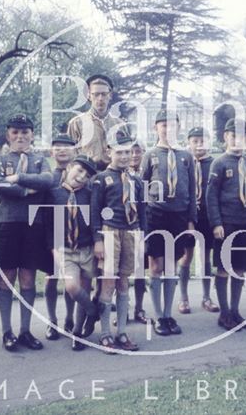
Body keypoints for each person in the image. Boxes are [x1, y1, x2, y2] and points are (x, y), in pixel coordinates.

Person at [8, 155, 100, 350]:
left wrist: (97, 243)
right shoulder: (54, 193)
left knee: (84, 285)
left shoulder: (90, 194)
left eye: (87, 175)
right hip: (65, 249)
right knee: (72, 288)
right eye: (79, 170)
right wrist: (54, 249)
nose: (82, 176)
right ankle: (93, 311)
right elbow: (49, 226)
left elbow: (95, 222)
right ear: (69, 168)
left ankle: (77, 333)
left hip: (87, 248)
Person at [0, 114, 50, 351]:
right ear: (8, 135)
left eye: (25, 132)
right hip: (6, 224)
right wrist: (26, 192)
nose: (20, 136)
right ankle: (7, 332)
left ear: (32, 135)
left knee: (27, 277)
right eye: (15, 132)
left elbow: (48, 180)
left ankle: (25, 331)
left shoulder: (39, 159)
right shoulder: (0, 158)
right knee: (7, 277)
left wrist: (18, 178)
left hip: (33, 224)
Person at [141, 110, 197, 336]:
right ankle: (158, 316)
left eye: (172, 125)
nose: (168, 129)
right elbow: (142, 188)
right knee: (156, 265)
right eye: (163, 125)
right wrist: (144, 220)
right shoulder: (150, 155)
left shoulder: (186, 156)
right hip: (156, 215)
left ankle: (168, 313)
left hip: (179, 216)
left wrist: (191, 219)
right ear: (156, 128)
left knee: (173, 265)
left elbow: (192, 190)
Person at [91, 131, 146, 352]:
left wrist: (143, 235)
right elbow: (95, 211)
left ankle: (122, 332)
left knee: (124, 282)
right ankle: (105, 334)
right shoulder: (101, 179)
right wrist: (97, 240)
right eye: (120, 152)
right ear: (109, 152)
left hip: (131, 232)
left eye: (128, 152)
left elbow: (142, 211)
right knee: (108, 282)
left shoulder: (136, 180)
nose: (124, 156)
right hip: (110, 232)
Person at [206, 118, 246, 330]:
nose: (237, 140)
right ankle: (224, 313)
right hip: (226, 224)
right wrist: (216, 223)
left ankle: (236, 311)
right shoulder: (219, 163)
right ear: (226, 137)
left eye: (241, 136)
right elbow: (211, 196)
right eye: (233, 136)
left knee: (240, 269)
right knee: (223, 268)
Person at [177, 127, 220, 315]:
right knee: (187, 256)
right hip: (188, 217)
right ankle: (184, 298)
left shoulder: (214, 164)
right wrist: (188, 218)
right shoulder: (184, 162)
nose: (199, 145)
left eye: (202, 141)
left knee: (206, 257)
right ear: (189, 143)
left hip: (207, 216)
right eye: (195, 141)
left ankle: (206, 297)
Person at [42, 133, 78, 341]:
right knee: (51, 278)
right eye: (58, 147)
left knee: (71, 280)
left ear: (74, 150)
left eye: (67, 146)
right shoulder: (48, 177)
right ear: (51, 151)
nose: (62, 150)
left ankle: (69, 319)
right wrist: (48, 241)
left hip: (74, 235)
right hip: (53, 234)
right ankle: (52, 320)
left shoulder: (80, 175)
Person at [67, 74, 125, 171]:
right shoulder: (77, 123)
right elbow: (70, 155)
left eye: (104, 94)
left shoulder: (120, 124)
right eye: (96, 94)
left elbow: (126, 152)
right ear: (89, 96)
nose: (100, 98)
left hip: (115, 175)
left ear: (110, 95)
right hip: (87, 175)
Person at [128, 140, 151, 325]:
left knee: (139, 271)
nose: (135, 155)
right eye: (131, 151)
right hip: (120, 229)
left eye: (138, 151)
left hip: (141, 225)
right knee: (120, 273)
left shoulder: (146, 175)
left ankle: (139, 308)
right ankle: (123, 310)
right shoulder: (119, 174)